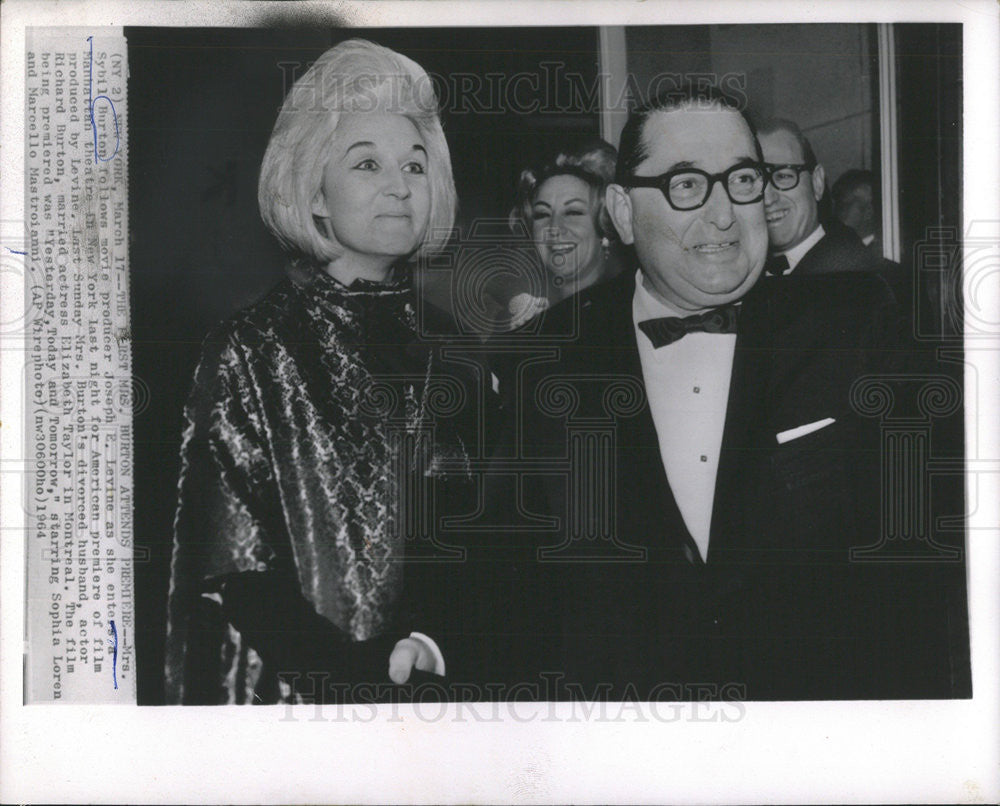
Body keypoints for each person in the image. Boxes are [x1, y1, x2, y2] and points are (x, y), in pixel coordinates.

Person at [513, 85, 966, 700]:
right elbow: (517, 558)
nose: (724, 214)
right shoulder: (547, 358)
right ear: (621, 212)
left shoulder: (858, 326)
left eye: (743, 180)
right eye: (687, 185)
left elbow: (935, 556)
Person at [164, 39, 476, 704]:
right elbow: (232, 562)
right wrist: (349, 679)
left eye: (415, 167)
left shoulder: (452, 351)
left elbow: (466, 530)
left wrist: (425, 642)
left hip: (422, 689)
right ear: (315, 194)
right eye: (368, 164)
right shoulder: (250, 348)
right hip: (287, 694)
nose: (399, 185)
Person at [503, 140, 623, 329]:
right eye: (542, 214)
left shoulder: (623, 312)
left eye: (573, 212)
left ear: (605, 224)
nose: (554, 228)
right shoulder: (526, 313)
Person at [757, 118, 873, 276]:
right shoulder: (739, 278)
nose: (768, 199)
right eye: (752, 180)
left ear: (817, 183)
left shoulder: (869, 278)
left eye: (783, 176)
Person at [832, 168, 882, 260]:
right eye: (837, 206)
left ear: (869, 212)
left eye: (844, 206)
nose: (836, 213)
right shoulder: (835, 250)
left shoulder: (878, 257)